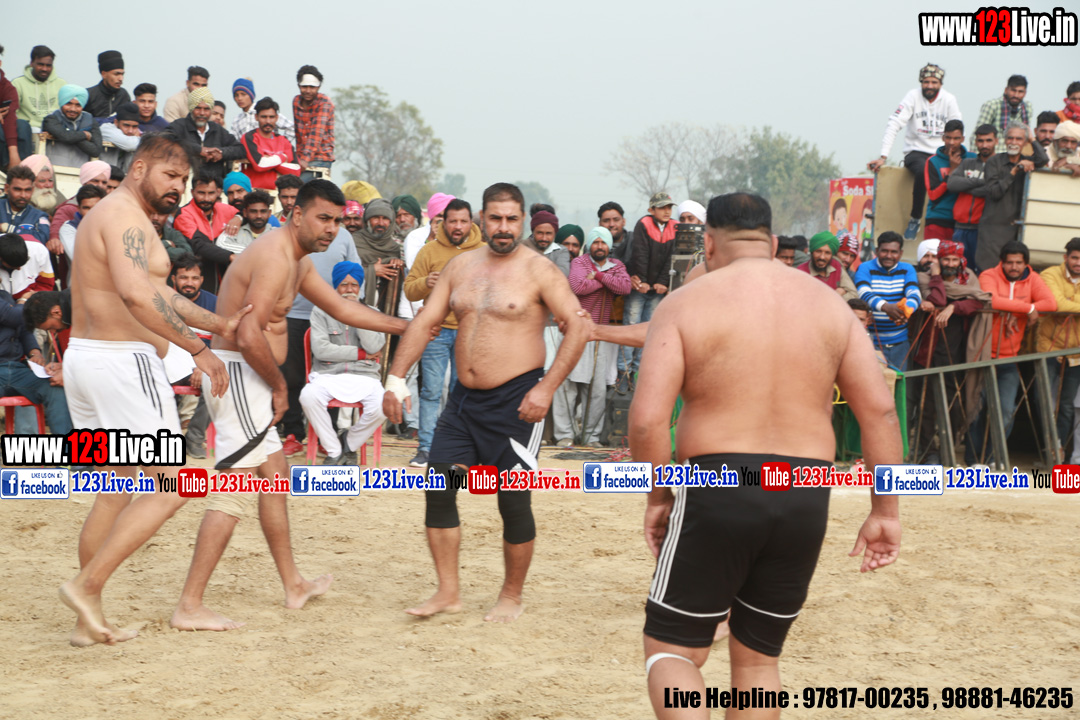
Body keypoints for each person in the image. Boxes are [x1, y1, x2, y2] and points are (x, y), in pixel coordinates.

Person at [629, 192, 901, 720]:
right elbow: (880, 412)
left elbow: (646, 421)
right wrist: (885, 511)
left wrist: (659, 498)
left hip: (719, 484)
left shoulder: (686, 303)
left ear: (709, 244)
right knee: (757, 662)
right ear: (773, 243)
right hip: (805, 490)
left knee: (672, 651)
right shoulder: (830, 305)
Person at [170, 179, 408, 631]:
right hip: (240, 375)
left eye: (337, 221)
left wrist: (404, 327)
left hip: (249, 377)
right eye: (324, 219)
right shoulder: (276, 257)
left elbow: (342, 309)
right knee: (232, 490)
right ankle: (190, 604)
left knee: (275, 477)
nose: (332, 229)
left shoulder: (297, 260)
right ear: (297, 215)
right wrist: (280, 386)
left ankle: (293, 583)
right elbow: (247, 333)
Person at [57, 132, 253, 646]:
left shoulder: (117, 216)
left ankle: (87, 620)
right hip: (123, 363)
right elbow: (135, 295)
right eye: (171, 176)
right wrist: (199, 349)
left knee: (116, 490)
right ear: (140, 167)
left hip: (88, 359)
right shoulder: (124, 216)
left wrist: (220, 324)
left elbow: (158, 292)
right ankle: (86, 586)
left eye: (184, 180)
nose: (178, 187)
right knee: (177, 484)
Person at [384, 182, 592, 622]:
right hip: (463, 403)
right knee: (439, 486)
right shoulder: (461, 266)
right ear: (482, 218)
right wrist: (396, 379)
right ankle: (448, 592)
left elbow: (578, 326)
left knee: (513, 501)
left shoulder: (539, 271)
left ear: (523, 221)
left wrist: (546, 388)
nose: (503, 227)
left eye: (511, 219)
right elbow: (425, 322)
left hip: (518, 402)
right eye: (495, 218)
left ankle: (511, 596)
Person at [402, 198, 484, 467]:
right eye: (453, 221)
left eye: (463, 221)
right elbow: (409, 289)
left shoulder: (484, 251)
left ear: (471, 222)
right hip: (435, 331)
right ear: (442, 223)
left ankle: (461, 449)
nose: (458, 226)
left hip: (470, 333)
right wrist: (426, 282)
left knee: (464, 392)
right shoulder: (429, 251)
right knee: (431, 391)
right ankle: (426, 448)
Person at [966, 241, 1056, 466]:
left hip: (1009, 359)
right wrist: (1028, 308)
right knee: (976, 410)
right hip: (982, 356)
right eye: (1009, 263)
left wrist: (1014, 311)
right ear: (1002, 263)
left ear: (1026, 264)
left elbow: (1051, 303)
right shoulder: (989, 275)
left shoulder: (1033, 279)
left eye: (1018, 263)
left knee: (1006, 411)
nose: (1014, 267)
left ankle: (993, 459)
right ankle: (973, 460)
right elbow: (992, 299)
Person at [300, 261, 387, 465]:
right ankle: (334, 450)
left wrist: (358, 313)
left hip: (365, 376)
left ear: (360, 287)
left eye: (354, 285)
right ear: (336, 287)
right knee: (308, 396)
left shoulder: (372, 311)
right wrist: (360, 354)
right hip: (329, 374)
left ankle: (348, 442)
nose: (349, 289)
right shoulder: (321, 311)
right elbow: (321, 351)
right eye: (344, 285)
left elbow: (374, 347)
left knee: (383, 404)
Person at [867, 63, 962, 240]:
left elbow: (957, 127)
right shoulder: (912, 96)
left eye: (934, 82)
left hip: (941, 152)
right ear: (921, 83)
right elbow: (894, 123)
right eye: (926, 82)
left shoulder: (949, 100)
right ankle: (915, 218)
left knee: (958, 174)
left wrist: (957, 152)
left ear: (940, 84)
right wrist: (883, 156)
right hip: (916, 152)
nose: (930, 86)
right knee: (923, 169)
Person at [555, 226, 630, 446]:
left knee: (596, 389)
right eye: (595, 242)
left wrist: (597, 275)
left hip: (600, 333)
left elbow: (624, 287)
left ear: (609, 246)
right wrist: (606, 280)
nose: (599, 246)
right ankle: (565, 435)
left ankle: (591, 437)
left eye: (603, 242)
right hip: (576, 330)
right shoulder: (580, 262)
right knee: (568, 386)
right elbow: (577, 286)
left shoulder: (617, 265)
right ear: (589, 244)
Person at [975, 123, 1048, 272]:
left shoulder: (1028, 161)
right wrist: (1014, 171)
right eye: (1010, 138)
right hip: (993, 228)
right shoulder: (994, 162)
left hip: (1017, 228)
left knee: (1013, 271)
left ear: (1025, 142)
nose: (1014, 142)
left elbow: (1043, 159)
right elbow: (995, 193)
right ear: (1005, 140)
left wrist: (1032, 139)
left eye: (1019, 139)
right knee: (989, 271)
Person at [853, 231, 922, 372]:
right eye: (884, 251)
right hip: (870, 342)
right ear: (877, 250)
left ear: (900, 253)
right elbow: (863, 293)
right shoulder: (865, 268)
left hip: (900, 344)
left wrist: (906, 311)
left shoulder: (907, 269)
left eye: (894, 252)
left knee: (898, 383)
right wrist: (886, 307)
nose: (889, 256)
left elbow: (914, 294)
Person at [1037, 238, 1080, 461]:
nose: (1079, 263)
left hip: (1075, 354)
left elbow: (1064, 304)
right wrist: (1067, 304)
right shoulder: (1050, 274)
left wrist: (1070, 303)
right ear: (1066, 258)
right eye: (1075, 257)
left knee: (1066, 406)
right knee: (1042, 401)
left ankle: (1058, 453)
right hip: (1049, 348)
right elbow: (1056, 304)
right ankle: (1046, 448)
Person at [947, 124, 997, 274]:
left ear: (996, 141)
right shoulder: (967, 163)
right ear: (975, 142)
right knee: (959, 271)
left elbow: (992, 190)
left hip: (983, 229)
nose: (984, 145)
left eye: (988, 140)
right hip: (960, 228)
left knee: (982, 272)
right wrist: (981, 182)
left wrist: (967, 186)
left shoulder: (1000, 165)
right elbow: (952, 184)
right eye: (980, 141)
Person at [166, 88, 245, 183]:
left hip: (214, 186)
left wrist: (221, 153)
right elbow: (166, 139)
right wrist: (198, 150)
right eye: (198, 108)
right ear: (191, 108)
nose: (202, 113)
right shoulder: (179, 125)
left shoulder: (217, 130)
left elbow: (240, 149)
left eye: (206, 109)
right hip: (184, 184)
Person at [922, 119, 971, 241]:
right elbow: (933, 195)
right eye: (948, 138)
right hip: (937, 220)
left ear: (962, 139)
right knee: (933, 253)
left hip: (965, 222)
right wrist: (952, 171)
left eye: (956, 138)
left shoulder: (972, 158)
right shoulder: (933, 161)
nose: (951, 142)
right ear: (943, 138)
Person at [240, 97, 301, 190]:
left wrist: (269, 160)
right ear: (256, 117)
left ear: (277, 118)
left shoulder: (283, 140)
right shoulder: (249, 137)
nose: (268, 121)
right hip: (253, 192)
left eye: (271, 117)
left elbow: (296, 170)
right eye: (264, 117)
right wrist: (282, 157)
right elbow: (260, 165)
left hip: (278, 194)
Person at [41, 85, 102, 166]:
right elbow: (66, 137)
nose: (73, 109)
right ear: (61, 103)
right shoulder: (51, 119)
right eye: (68, 104)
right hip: (53, 169)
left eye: (78, 105)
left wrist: (72, 135)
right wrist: (85, 135)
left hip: (81, 170)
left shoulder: (90, 120)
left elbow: (96, 151)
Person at [293, 66, 334, 182]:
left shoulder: (324, 103)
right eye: (304, 87)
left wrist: (305, 159)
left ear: (318, 87)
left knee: (297, 186)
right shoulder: (296, 102)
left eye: (312, 87)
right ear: (299, 86)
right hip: (301, 157)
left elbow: (316, 134)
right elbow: (298, 134)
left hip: (320, 157)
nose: (308, 91)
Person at [974, 75, 1033, 152]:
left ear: (1025, 93)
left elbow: (1026, 135)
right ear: (1006, 90)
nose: (1016, 95)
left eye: (1020, 92)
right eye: (1013, 90)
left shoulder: (1027, 107)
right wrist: (976, 157)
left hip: (1016, 153)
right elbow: (978, 135)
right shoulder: (992, 105)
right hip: (994, 154)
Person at [12, 45, 64, 134]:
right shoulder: (17, 84)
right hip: (28, 131)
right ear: (31, 63)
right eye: (40, 64)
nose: (44, 69)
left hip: (55, 131)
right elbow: (11, 112)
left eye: (48, 65)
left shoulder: (62, 84)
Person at [231, 77, 295, 144]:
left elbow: (292, 127)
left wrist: (281, 145)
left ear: (251, 95)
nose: (239, 98)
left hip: (270, 149)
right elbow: (234, 143)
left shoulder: (263, 111)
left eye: (243, 94)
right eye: (236, 95)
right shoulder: (236, 120)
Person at [796, 231, 857, 299]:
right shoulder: (801, 272)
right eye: (818, 251)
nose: (822, 257)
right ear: (812, 252)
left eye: (827, 253)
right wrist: (835, 295)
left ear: (832, 255)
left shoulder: (836, 265)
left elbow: (853, 294)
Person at [1, 165, 51, 244]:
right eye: (17, 189)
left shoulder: (39, 216)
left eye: (27, 190)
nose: (23, 195)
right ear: (7, 188)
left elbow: (42, 238)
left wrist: (9, 228)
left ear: (32, 190)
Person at [58, 183, 106, 260]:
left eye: (96, 207)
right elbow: (80, 258)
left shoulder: (112, 226)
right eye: (86, 208)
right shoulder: (69, 229)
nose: (91, 212)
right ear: (78, 208)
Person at [84, 51, 129, 120]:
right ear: (104, 74)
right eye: (116, 74)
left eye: (122, 74)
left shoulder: (123, 95)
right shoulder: (89, 95)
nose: (121, 78)